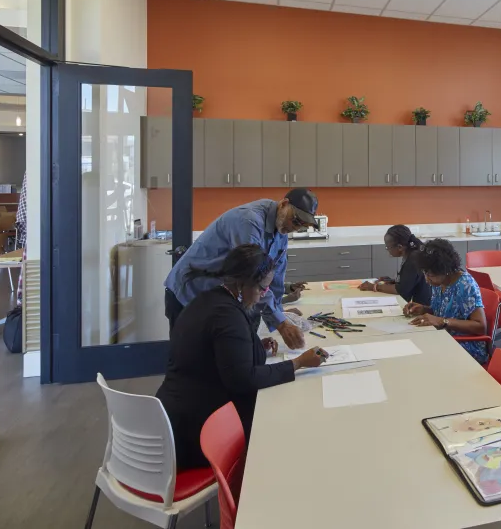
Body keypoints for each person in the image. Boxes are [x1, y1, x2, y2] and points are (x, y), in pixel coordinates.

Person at [156, 244, 327, 469]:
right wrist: (298, 363)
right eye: (262, 289)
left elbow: (216, 352)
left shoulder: (208, 300)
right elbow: (244, 379)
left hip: (173, 417)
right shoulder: (227, 316)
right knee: (285, 422)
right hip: (199, 434)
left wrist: (255, 347)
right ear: (241, 283)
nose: (264, 295)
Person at [163, 189, 321, 349]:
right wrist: (281, 324)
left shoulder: (281, 232)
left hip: (218, 298)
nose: (294, 228)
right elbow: (252, 277)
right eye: (295, 221)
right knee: (190, 361)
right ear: (284, 204)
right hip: (190, 293)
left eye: (301, 226)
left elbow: (275, 278)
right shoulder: (249, 221)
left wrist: (279, 313)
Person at [405, 238, 487, 363]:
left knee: (419, 357)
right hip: (443, 337)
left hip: (466, 346)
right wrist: (424, 309)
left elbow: (481, 326)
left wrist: (443, 321)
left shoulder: (465, 284)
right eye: (425, 274)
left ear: (445, 270)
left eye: (431, 275)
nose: (427, 280)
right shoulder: (439, 282)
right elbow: (441, 310)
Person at [358, 225, 430, 306]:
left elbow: (400, 290)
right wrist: (395, 281)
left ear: (399, 247)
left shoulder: (413, 259)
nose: (387, 250)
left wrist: (373, 286)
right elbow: (410, 281)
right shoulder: (411, 254)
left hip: (423, 308)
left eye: (387, 247)